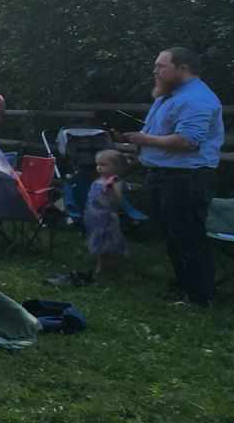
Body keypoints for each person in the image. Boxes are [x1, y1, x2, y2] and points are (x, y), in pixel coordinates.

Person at [119, 47, 225, 308]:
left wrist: (145, 140)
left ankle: (200, 297)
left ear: (183, 68)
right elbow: (158, 134)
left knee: (188, 236)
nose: (156, 71)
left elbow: (188, 141)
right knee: (171, 235)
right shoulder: (167, 96)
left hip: (186, 178)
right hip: (162, 175)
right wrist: (140, 149)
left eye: (161, 66)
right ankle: (183, 287)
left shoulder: (198, 99)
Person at [83, 149, 128, 280]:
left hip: (107, 217)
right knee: (97, 241)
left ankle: (112, 265)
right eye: (97, 164)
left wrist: (111, 189)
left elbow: (117, 200)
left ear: (116, 167)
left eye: (103, 165)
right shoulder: (97, 180)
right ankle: (100, 263)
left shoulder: (116, 182)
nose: (99, 167)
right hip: (93, 216)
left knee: (110, 241)